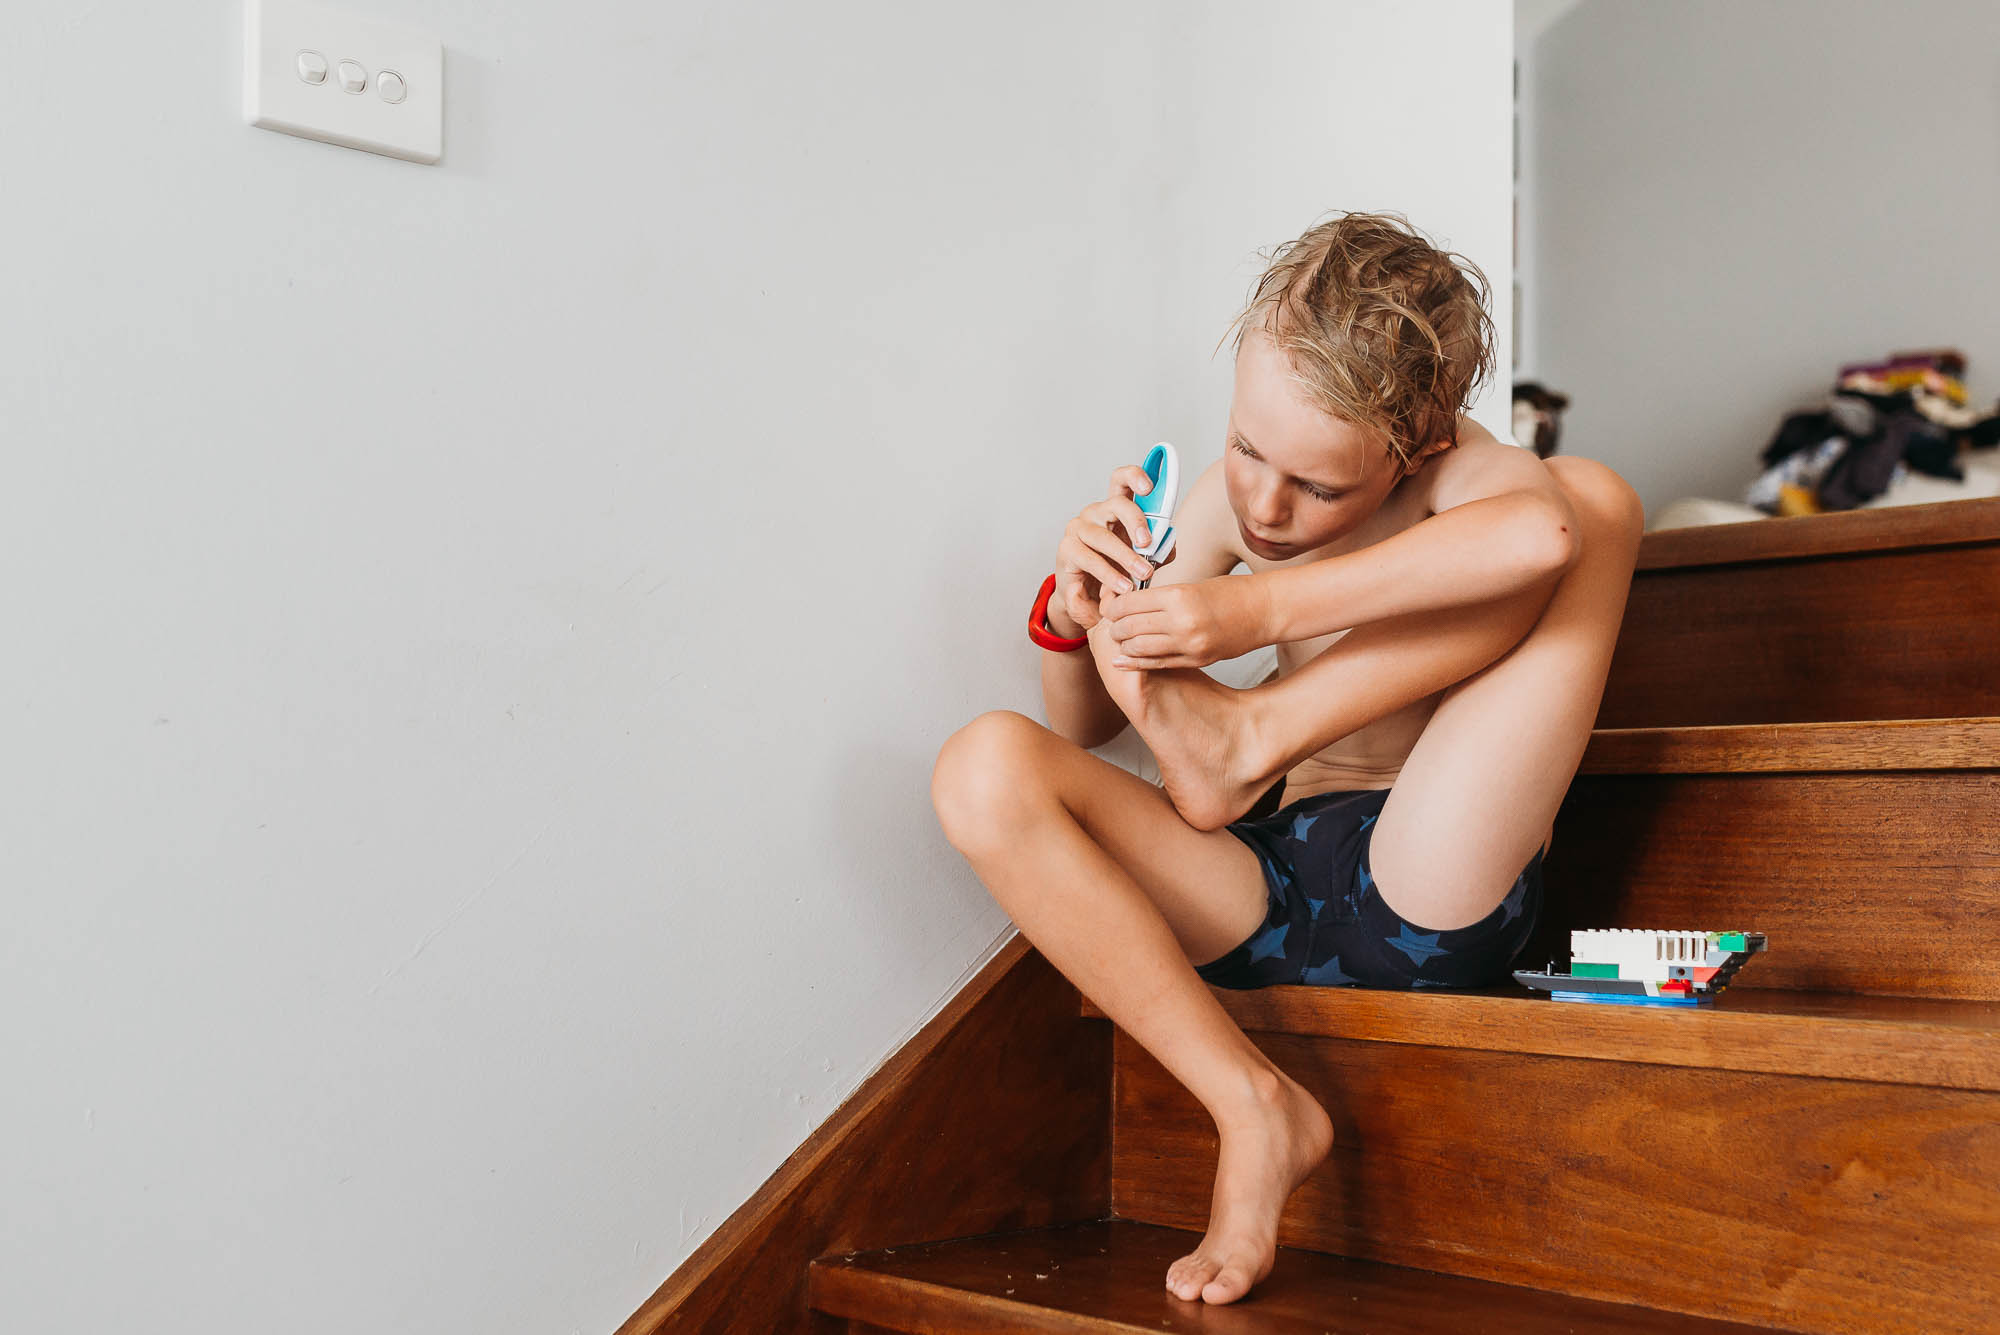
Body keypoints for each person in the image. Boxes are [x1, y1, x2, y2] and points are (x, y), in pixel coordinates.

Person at [929, 209, 1645, 1308]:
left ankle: (1246, 732)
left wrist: (1242, 617)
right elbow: (1079, 734)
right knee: (982, 765)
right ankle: (1253, 1103)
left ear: (1423, 446)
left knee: (1589, 502)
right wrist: (1074, 618)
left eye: (1318, 490)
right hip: (1252, 887)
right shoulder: (1221, 504)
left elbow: (1541, 536)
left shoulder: (1463, 485)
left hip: (1422, 882)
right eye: (1248, 450)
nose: (1264, 505)